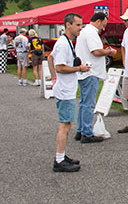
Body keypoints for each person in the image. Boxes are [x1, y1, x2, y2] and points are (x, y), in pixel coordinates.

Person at [47, 12, 90, 172]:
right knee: (65, 125)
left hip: (66, 88)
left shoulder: (66, 42)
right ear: (68, 25)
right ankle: (59, 160)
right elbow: (59, 66)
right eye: (78, 25)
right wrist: (79, 68)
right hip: (65, 91)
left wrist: (54, 78)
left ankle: (62, 155)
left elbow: (51, 59)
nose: (80, 28)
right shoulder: (63, 44)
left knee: (67, 123)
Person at [74, 12, 116, 143]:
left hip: (84, 72)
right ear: (98, 21)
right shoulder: (91, 33)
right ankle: (87, 133)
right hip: (91, 72)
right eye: (103, 25)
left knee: (83, 102)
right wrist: (109, 51)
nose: (103, 28)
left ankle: (80, 130)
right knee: (89, 104)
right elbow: (96, 51)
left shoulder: (84, 32)